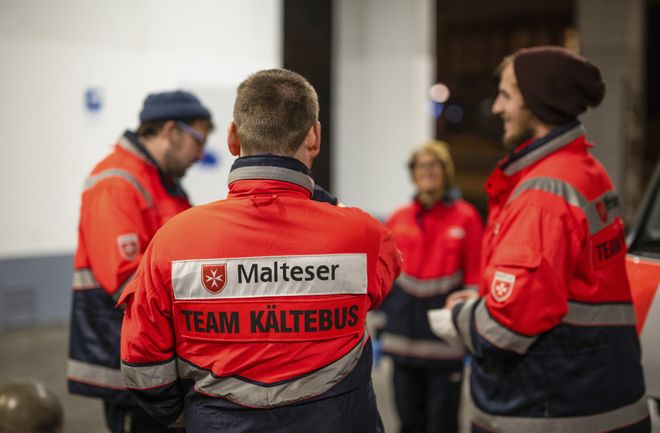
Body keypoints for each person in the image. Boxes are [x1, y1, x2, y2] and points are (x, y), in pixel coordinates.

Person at [118, 69, 402, 433]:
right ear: (314, 136)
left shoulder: (172, 240)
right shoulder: (366, 236)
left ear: (233, 138)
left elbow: (142, 365)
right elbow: (380, 286)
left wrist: (191, 414)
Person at [429, 46, 650, 433]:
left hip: (548, 410)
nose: (496, 108)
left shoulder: (542, 196)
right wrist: (486, 299)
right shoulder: (587, 172)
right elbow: (556, 288)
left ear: (538, 103)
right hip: (598, 399)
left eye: (506, 95)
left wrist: (460, 318)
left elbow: (505, 328)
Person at [67, 90, 214, 433]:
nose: (201, 153)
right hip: (129, 360)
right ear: (170, 131)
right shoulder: (117, 181)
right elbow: (125, 279)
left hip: (156, 355)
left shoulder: (162, 183)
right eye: (198, 140)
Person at [379, 140, 483, 433]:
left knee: (443, 425)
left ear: (445, 171)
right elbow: (385, 275)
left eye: (434, 165)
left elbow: (476, 276)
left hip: (445, 345)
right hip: (403, 341)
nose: (428, 171)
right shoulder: (398, 218)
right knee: (408, 424)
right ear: (413, 173)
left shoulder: (467, 217)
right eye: (421, 166)